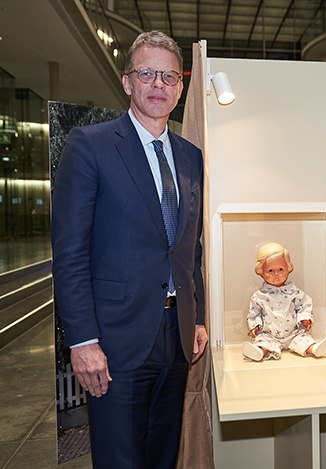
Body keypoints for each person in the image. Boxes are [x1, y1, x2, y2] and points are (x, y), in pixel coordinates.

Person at [51, 31, 208, 468]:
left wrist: (197, 319)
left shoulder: (191, 155)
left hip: (176, 339)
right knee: (120, 459)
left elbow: (188, 248)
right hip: (114, 342)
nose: (158, 84)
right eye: (147, 73)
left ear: (180, 87)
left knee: (162, 456)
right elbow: (70, 254)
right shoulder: (90, 146)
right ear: (127, 82)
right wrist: (82, 340)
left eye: (169, 76)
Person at [242, 242, 326, 361]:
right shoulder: (259, 297)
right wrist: (255, 326)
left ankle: (315, 349)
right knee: (263, 342)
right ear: (261, 271)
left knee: (304, 339)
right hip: (269, 335)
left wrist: (305, 317)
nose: (276, 274)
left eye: (280, 269)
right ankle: (259, 352)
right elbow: (254, 313)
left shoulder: (295, 293)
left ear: (288, 268)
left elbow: (305, 304)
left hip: (294, 333)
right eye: (270, 270)